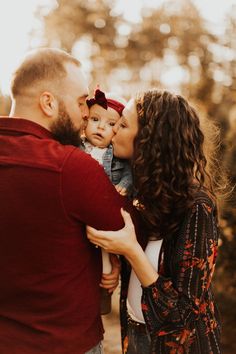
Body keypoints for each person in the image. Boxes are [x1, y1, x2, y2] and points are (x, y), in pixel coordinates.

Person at [0, 48, 138, 354]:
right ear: (48, 102)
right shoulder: (71, 166)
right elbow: (128, 227)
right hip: (65, 343)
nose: (86, 113)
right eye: (80, 103)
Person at [87, 89, 224, 353]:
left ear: (150, 140)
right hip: (136, 336)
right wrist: (117, 262)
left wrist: (131, 250)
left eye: (123, 124)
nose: (113, 130)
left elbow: (183, 315)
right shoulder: (141, 195)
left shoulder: (197, 207)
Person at [81, 87, 132, 314]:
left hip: (105, 216)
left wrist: (125, 185)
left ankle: (103, 299)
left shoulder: (118, 156)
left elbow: (130, 172)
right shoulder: (76, 147)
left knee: (106, 261)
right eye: (95, 119)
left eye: (111, 124)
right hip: (82, 211)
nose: (101, 127)